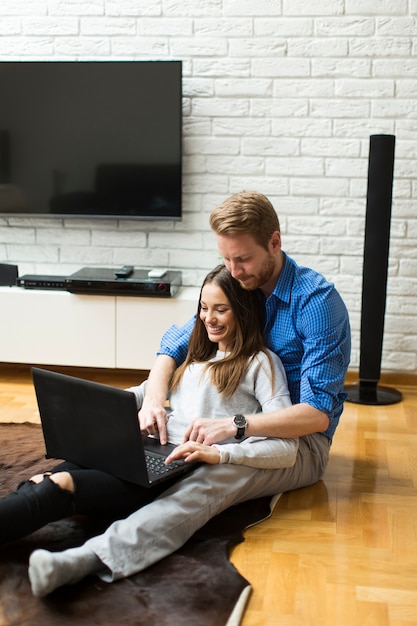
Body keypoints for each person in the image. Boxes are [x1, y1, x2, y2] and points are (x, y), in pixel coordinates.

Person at [25, 192, 351, 598]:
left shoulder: (317, 303)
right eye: (227, 259)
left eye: (242, 260)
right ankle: (42, 501)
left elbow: (317, 415)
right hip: (237, 415)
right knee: (128, 436)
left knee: (213, 477)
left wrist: (235, 427)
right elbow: (177, 343)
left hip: (299, 441)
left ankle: (91, 560)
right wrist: (153, 400)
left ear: (274, 242)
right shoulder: (239, 281)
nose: (234, 270)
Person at [0, 264, 298, 595]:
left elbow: (286, 448)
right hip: (143, 447)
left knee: (61, 485)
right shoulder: (195, 357)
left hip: (172, 468)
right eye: (203, 308)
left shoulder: (261, 363)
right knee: (40, 481)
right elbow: (143, 391)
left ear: (243, 311)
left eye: (220, 310)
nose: (208, 318)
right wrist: (103, 410)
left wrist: (218, 453)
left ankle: (72, 563)